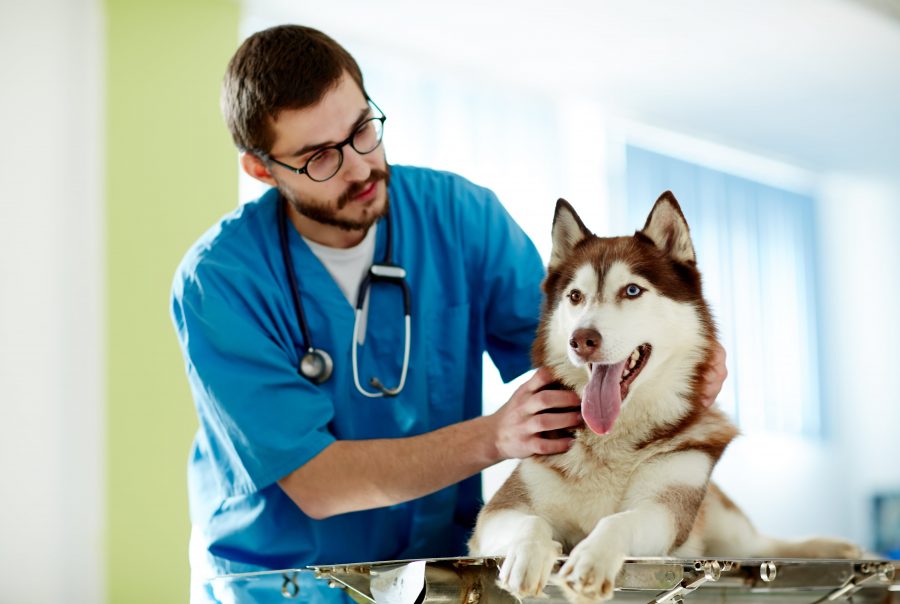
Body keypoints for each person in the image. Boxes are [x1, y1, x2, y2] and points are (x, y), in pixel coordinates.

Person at [170, 24, 727, 603]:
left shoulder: (461, 217)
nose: (360, 167)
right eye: (318, 159)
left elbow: (573, 353)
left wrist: (673, 355)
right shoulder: (219, 283)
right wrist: (494, 437)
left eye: (363, 130)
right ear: (262, 170)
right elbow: (317, 482)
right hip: (281, 587)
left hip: (430, 578)